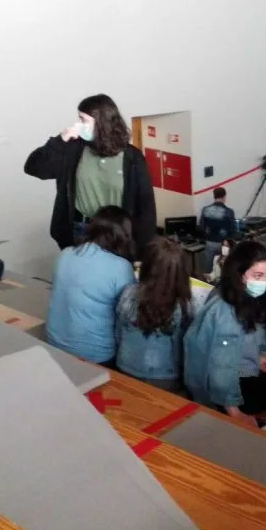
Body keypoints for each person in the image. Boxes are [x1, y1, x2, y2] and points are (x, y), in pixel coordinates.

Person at [184, 240, 266, 426]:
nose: (263, 281)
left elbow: (239, 344)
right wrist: (235, 412)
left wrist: (258, 359)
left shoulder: (225, 292)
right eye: (257, 275)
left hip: (234, 374)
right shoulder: (227, 314)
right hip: (223, 390)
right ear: (239, 274)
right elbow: (222, 367)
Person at [24, 94, 156, 257]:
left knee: (115, 278)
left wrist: (144, 251)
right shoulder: (73, 149)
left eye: (83, 120)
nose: (79, 125)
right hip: (80, 229)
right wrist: (59, 142)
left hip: (117, 233)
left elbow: (145, 206)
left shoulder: (132, 158)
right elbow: (34, 168)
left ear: (102, 122)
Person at [47, 205, 135, 366]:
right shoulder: (121, 267)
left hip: (53, 343)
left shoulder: (65, 254)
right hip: (96, 355)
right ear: (123, 234)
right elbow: (128, 314)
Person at [116, 237, 192, 393]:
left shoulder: (128, 293)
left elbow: (118, 332)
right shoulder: (185, 306)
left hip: (125, 366)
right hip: (164, 375)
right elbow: (183, 352)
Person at [200, 187, 236, 274]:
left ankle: (207, 285)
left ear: (214, 196)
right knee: (225, 268)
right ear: (224, 196)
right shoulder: (229, 211)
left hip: (210, 242)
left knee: (208, 269)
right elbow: (232, 229)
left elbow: (202, 226)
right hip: (224, 244)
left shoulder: (205, 209)